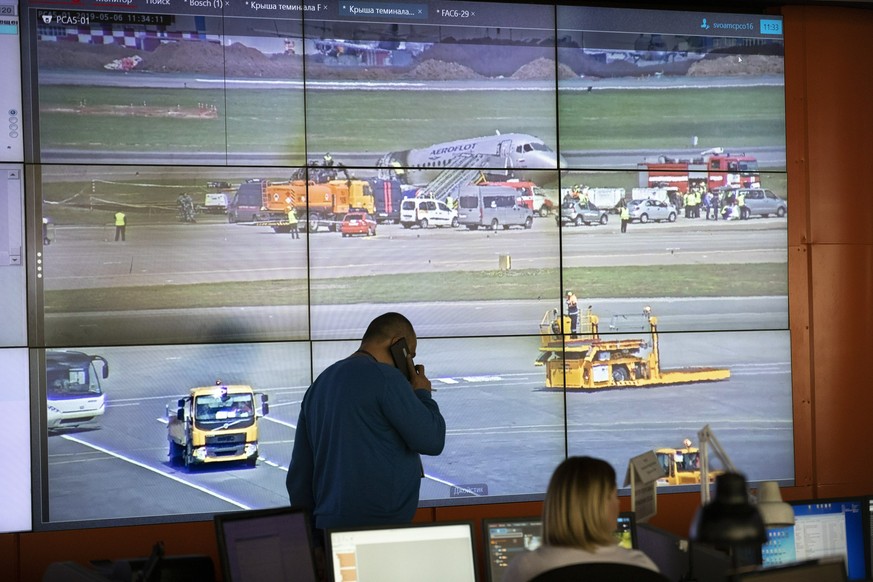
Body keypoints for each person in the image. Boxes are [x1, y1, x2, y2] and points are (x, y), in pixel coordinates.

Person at [287, 312, 446, 534]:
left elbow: (299, 478)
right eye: (410, 355)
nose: (410, 363)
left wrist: (313, 540)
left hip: (328, 527)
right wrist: (422, 394)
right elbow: (432, 439)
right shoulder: (386, 378)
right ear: (397, 345)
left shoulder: (320, 385)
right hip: (380, 529)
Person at [503, 456, 659, 582]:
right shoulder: (640, 566)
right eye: (614, 496)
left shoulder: (525, 569)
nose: (618, 503)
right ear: (601, 507)